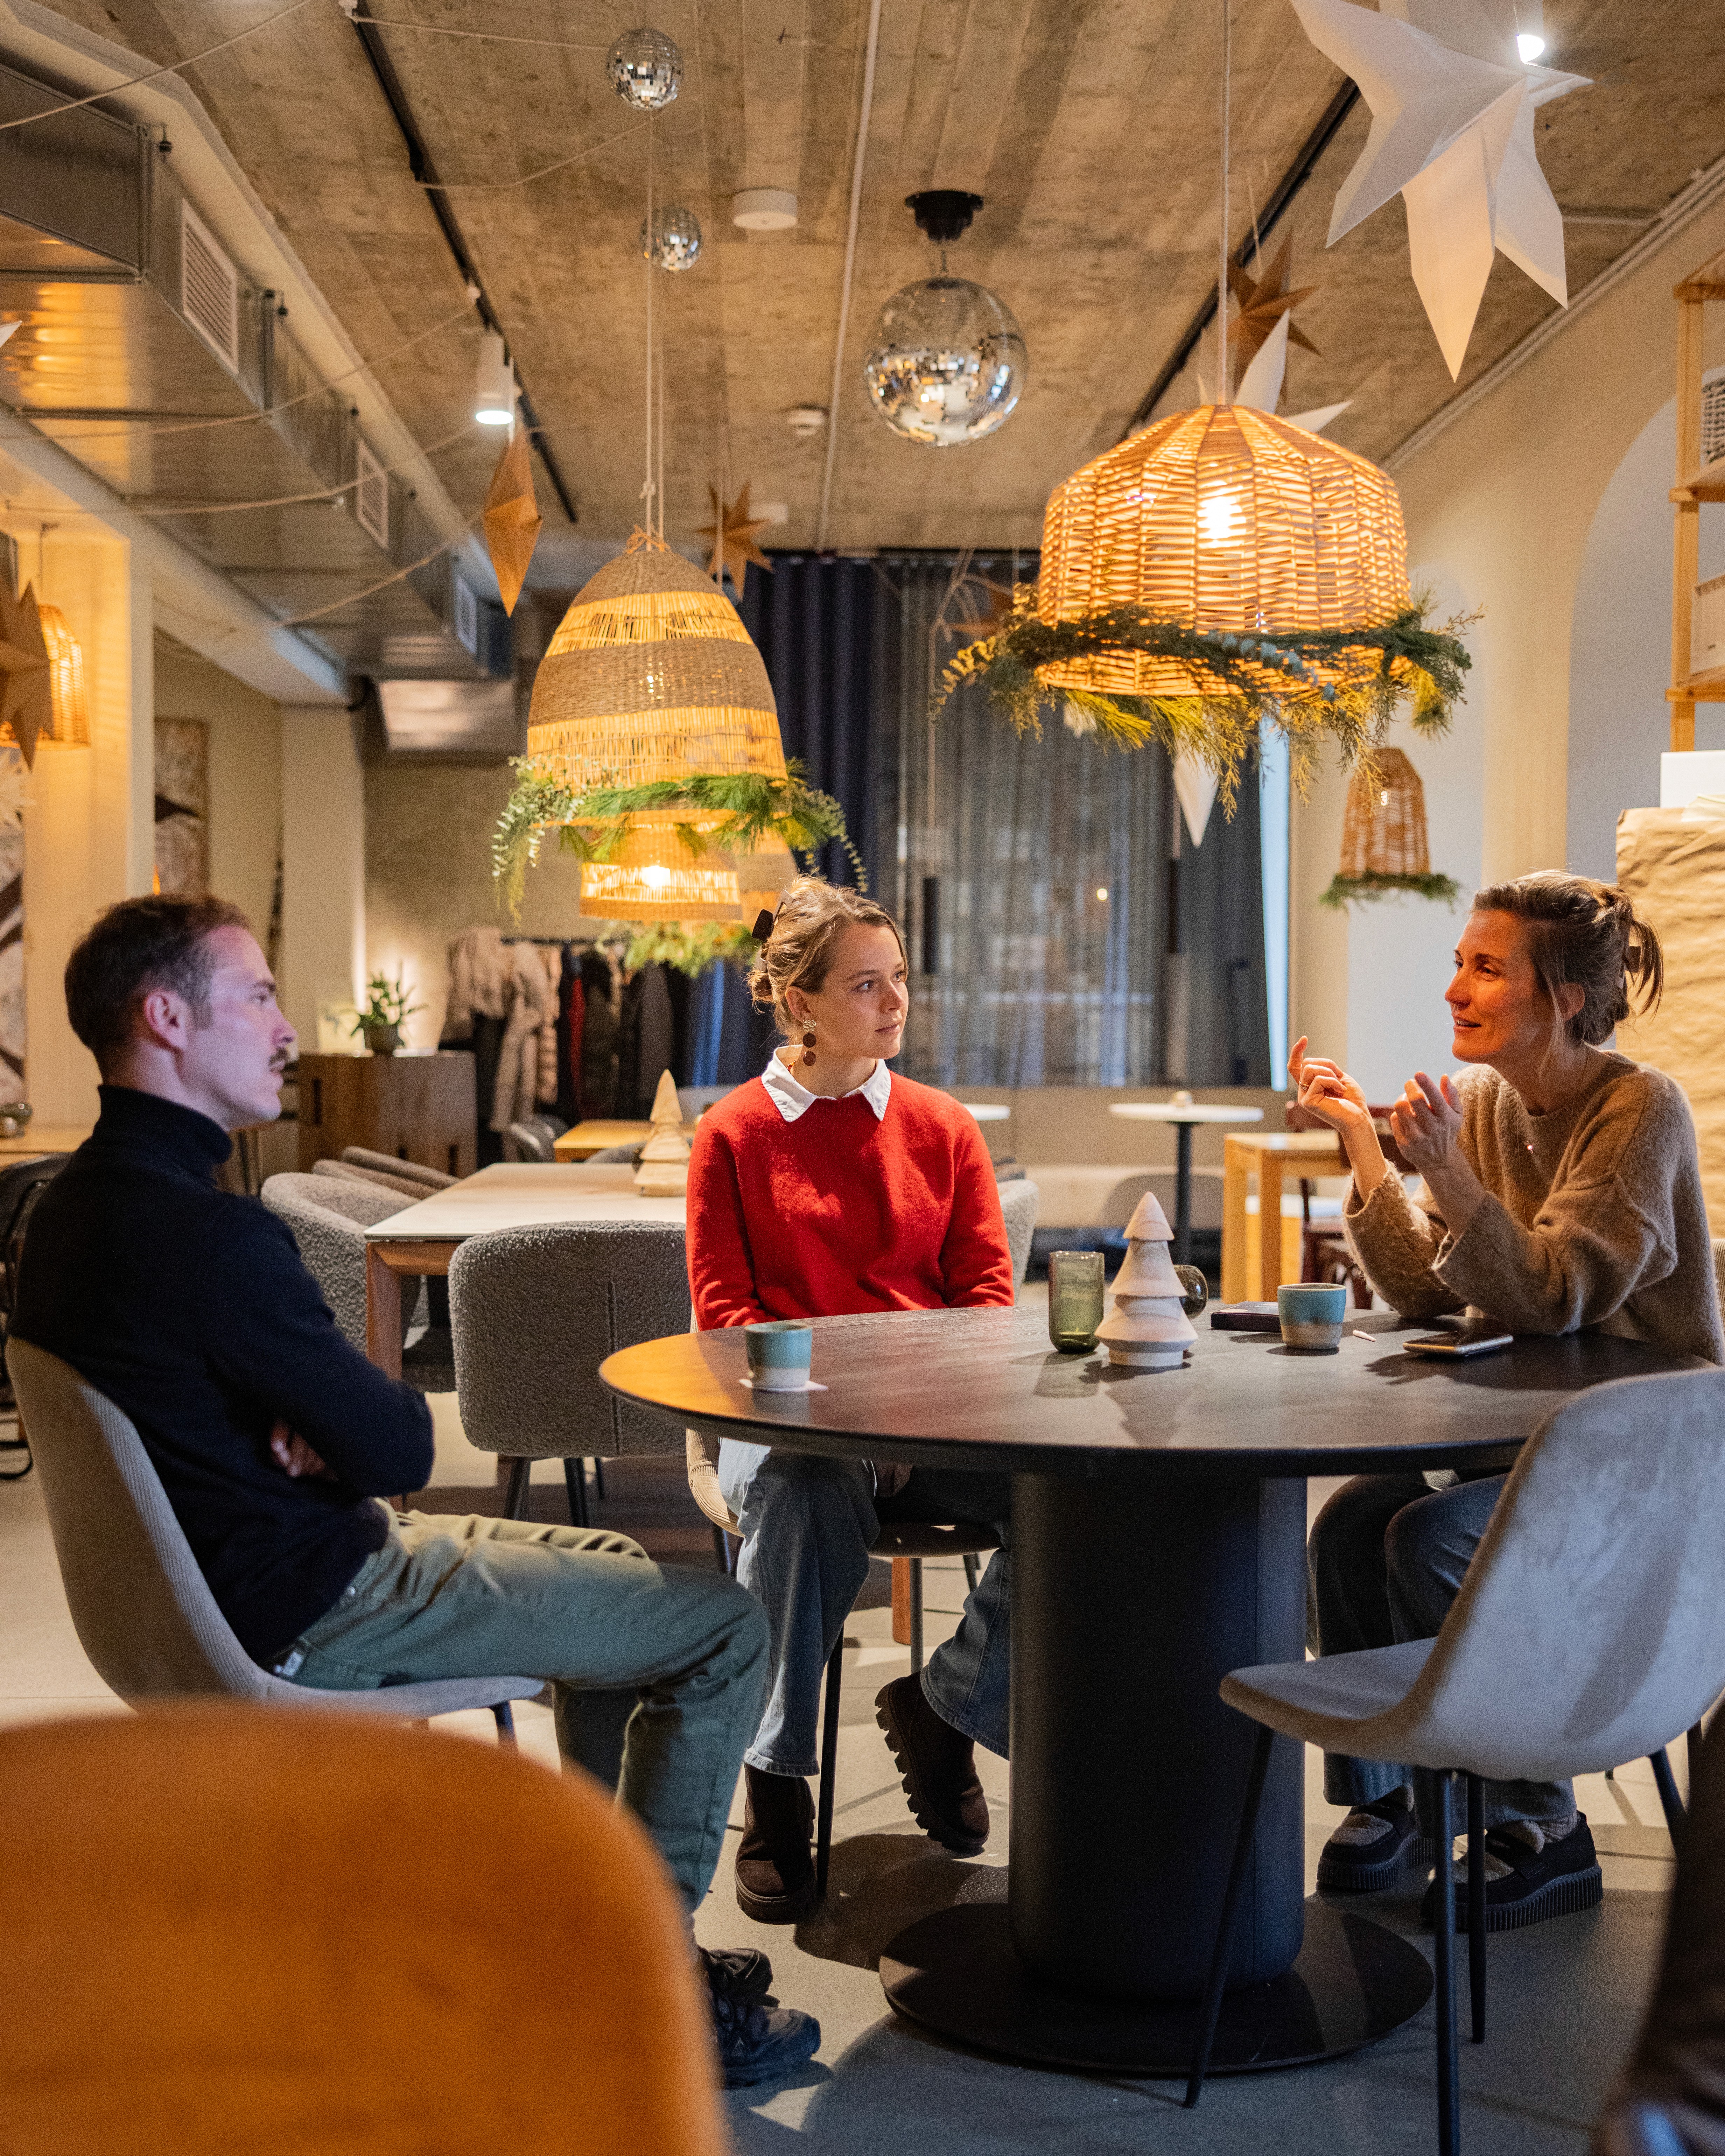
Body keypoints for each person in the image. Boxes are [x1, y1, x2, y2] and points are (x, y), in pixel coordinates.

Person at [10, 894, 818, 2087]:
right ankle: (644, 1976)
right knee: (724, 1623)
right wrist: (332, 1432)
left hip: (221, 1595)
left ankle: (581, 1928)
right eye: (258, 996)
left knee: (614, 1572)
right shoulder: (209, 1237)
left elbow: (346, 1434)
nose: (286, 1027)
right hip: (330, 1597)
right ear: (167, 1017)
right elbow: (394, 1442)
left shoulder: (64, 1210)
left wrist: (313, 1428)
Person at [1294, 871, 1723, 1931]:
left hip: (1640, 1473)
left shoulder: (1638, 1110)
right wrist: (1366, 1146)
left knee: (1435, 1538)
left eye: (1485, 967)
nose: (1454, 988)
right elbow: (1438, 1289)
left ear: (1564, 998)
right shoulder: (1488, 1105)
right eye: (1458, 962)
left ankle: (1539, 1819)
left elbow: (1551, 1292)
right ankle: (1385, 1798)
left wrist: (1449, 1181)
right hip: (1533, 1451)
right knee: (1353, 1520)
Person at [686, 878, 1016, 1923]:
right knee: (798, 1486)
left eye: (900, 979)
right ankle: (776, 1777)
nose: (894, 1002)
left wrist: (908, 1421)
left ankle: (944, 1703)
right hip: (781, 1422)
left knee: (1080, 1493)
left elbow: (987, 1307)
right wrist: (848, 1422)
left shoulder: (942, 1127)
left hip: (929, 1418)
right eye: (866, 984)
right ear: (800, 1003)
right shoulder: (733, 1134)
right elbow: (728, 1321)